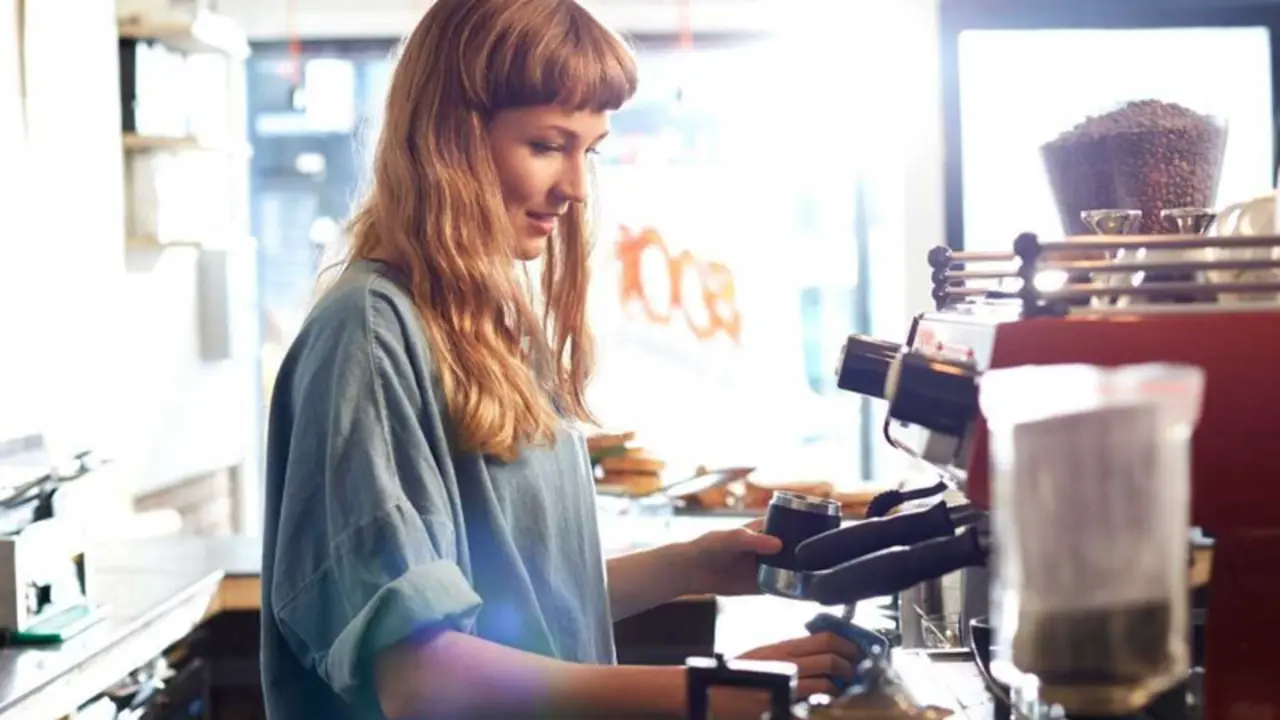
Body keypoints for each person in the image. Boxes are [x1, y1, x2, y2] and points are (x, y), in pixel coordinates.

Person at [259, 0, 861, 718]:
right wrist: (705, 692)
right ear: (448, 139)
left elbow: (517, 603)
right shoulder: (367, 335)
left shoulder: (485, 323)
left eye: (590, 149)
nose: (575, 188)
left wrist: (689, 565)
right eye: (548, 145)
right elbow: (421, 678)